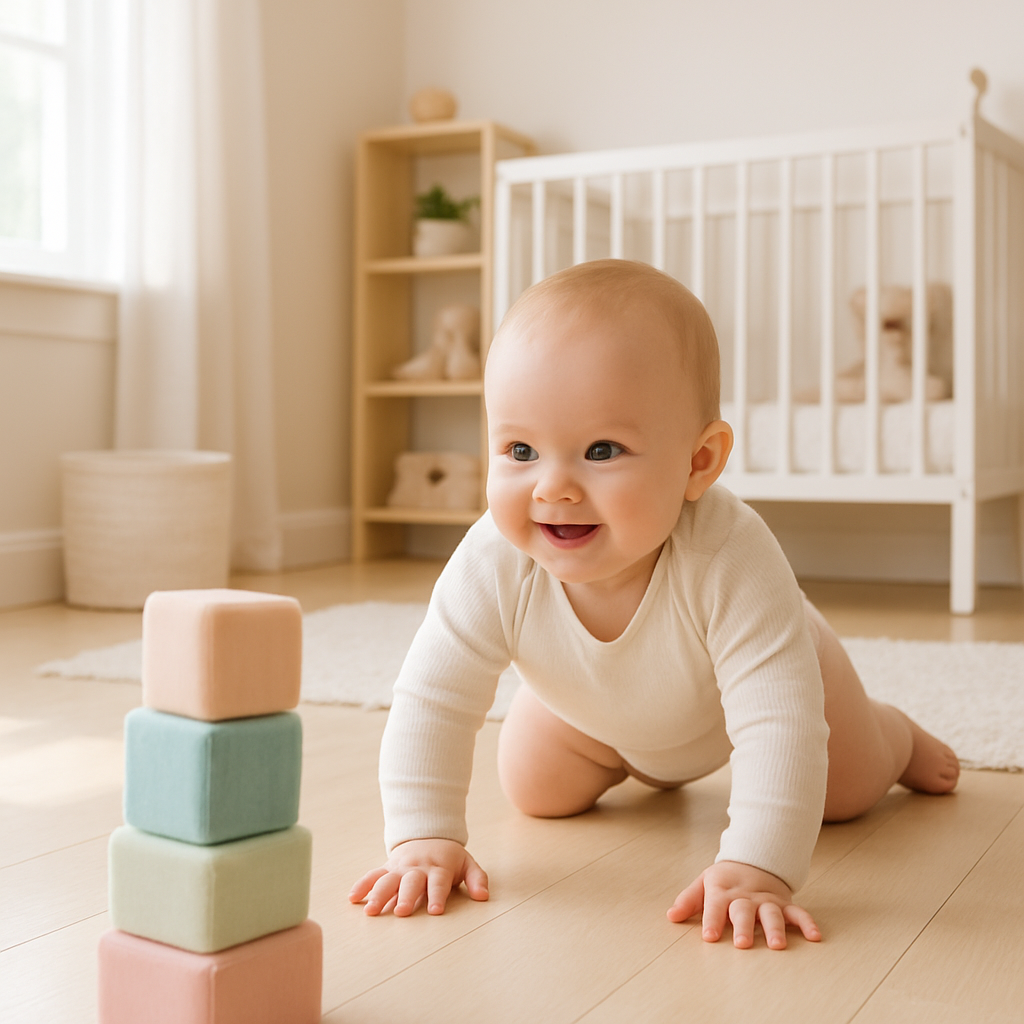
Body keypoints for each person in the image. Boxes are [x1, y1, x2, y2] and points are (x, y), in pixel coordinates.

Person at [349, 259, 960, 950]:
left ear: (700, 462)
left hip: (759, 689)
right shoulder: (493, 559)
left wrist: (757, 869)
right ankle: (617, 748)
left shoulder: (730, 557)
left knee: (844, 792)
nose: (553, 487)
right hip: (597, 712)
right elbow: (432, 696)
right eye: (520, 449)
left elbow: (778, 724)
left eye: (601, 450)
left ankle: (896, 735)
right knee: (536, 789)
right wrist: (422, 837)